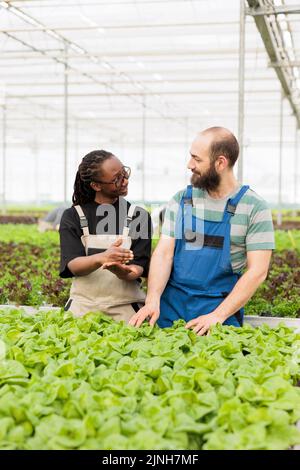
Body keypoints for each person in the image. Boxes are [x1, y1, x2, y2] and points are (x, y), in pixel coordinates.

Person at [129, 127, 275, 335]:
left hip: (218, 311)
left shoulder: (254, 207)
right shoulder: (181, 200)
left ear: (220, 163)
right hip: (171, 308)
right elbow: (164, 254)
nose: (190, 165)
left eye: (197, 159)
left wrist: (218, 316)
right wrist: (152, 300)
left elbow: (257, 271)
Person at [59, 150, 152, 322]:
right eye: (117, 179)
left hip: (126, 309)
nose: (125, 181)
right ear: (96, 185)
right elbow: (73, 265)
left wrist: (123, 271)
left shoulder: (138, 216)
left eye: (124, 173)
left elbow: (138, 266)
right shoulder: (73, 216)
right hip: (82, 310)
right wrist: (102, 257)